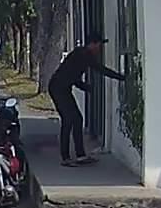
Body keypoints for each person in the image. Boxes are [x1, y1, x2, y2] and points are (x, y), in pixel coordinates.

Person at [49, 33, 125, 167]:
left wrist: (86, 87)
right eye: (99, 45)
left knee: (77, 119)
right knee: (68, 120)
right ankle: (65, 158)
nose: (100, 48)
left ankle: (80, 155)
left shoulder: (81, 54)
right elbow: (101, 69)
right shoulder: (84, 55)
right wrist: (121, 77)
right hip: (58, 88)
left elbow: (73, 77)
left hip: (63, 88)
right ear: (92, 44)